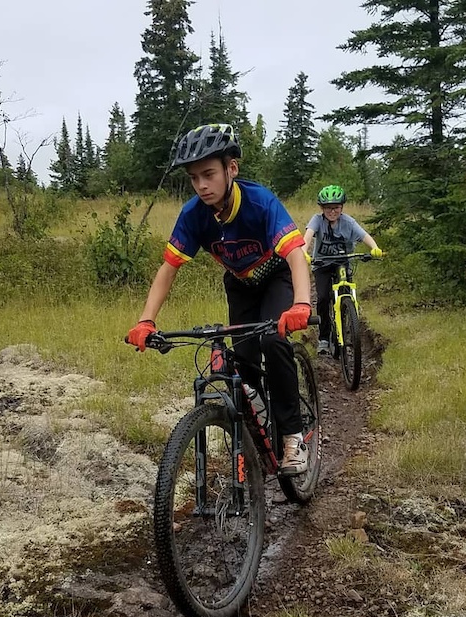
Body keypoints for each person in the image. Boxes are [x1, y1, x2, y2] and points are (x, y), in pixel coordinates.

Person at [127, 123, 312, 475]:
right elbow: (168, 269)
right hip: (240, 284)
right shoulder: (193, 214)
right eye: (194, 178)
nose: (201, 185)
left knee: (272, 340)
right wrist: (145, 320)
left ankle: (292, 435)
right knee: (242, 363)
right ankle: (255, 440)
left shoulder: (260, 202)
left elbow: (295, 255)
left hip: (277, 275)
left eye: (209, 174)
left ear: (232, 169)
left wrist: (301, 303)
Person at [302, 185, 383, 355]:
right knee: (323, 298)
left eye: (336, 207)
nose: (332, 211)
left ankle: (348, 321)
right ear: (322, 209)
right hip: (322, 264)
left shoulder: (348, 222)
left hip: (343, 262)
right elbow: (308, 236)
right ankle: (324, 338)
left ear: (342, 207)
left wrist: (374, 248)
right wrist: (304, 252)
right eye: (328, 208)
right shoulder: (317, 220)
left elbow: (364, 235)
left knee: (346, 290)